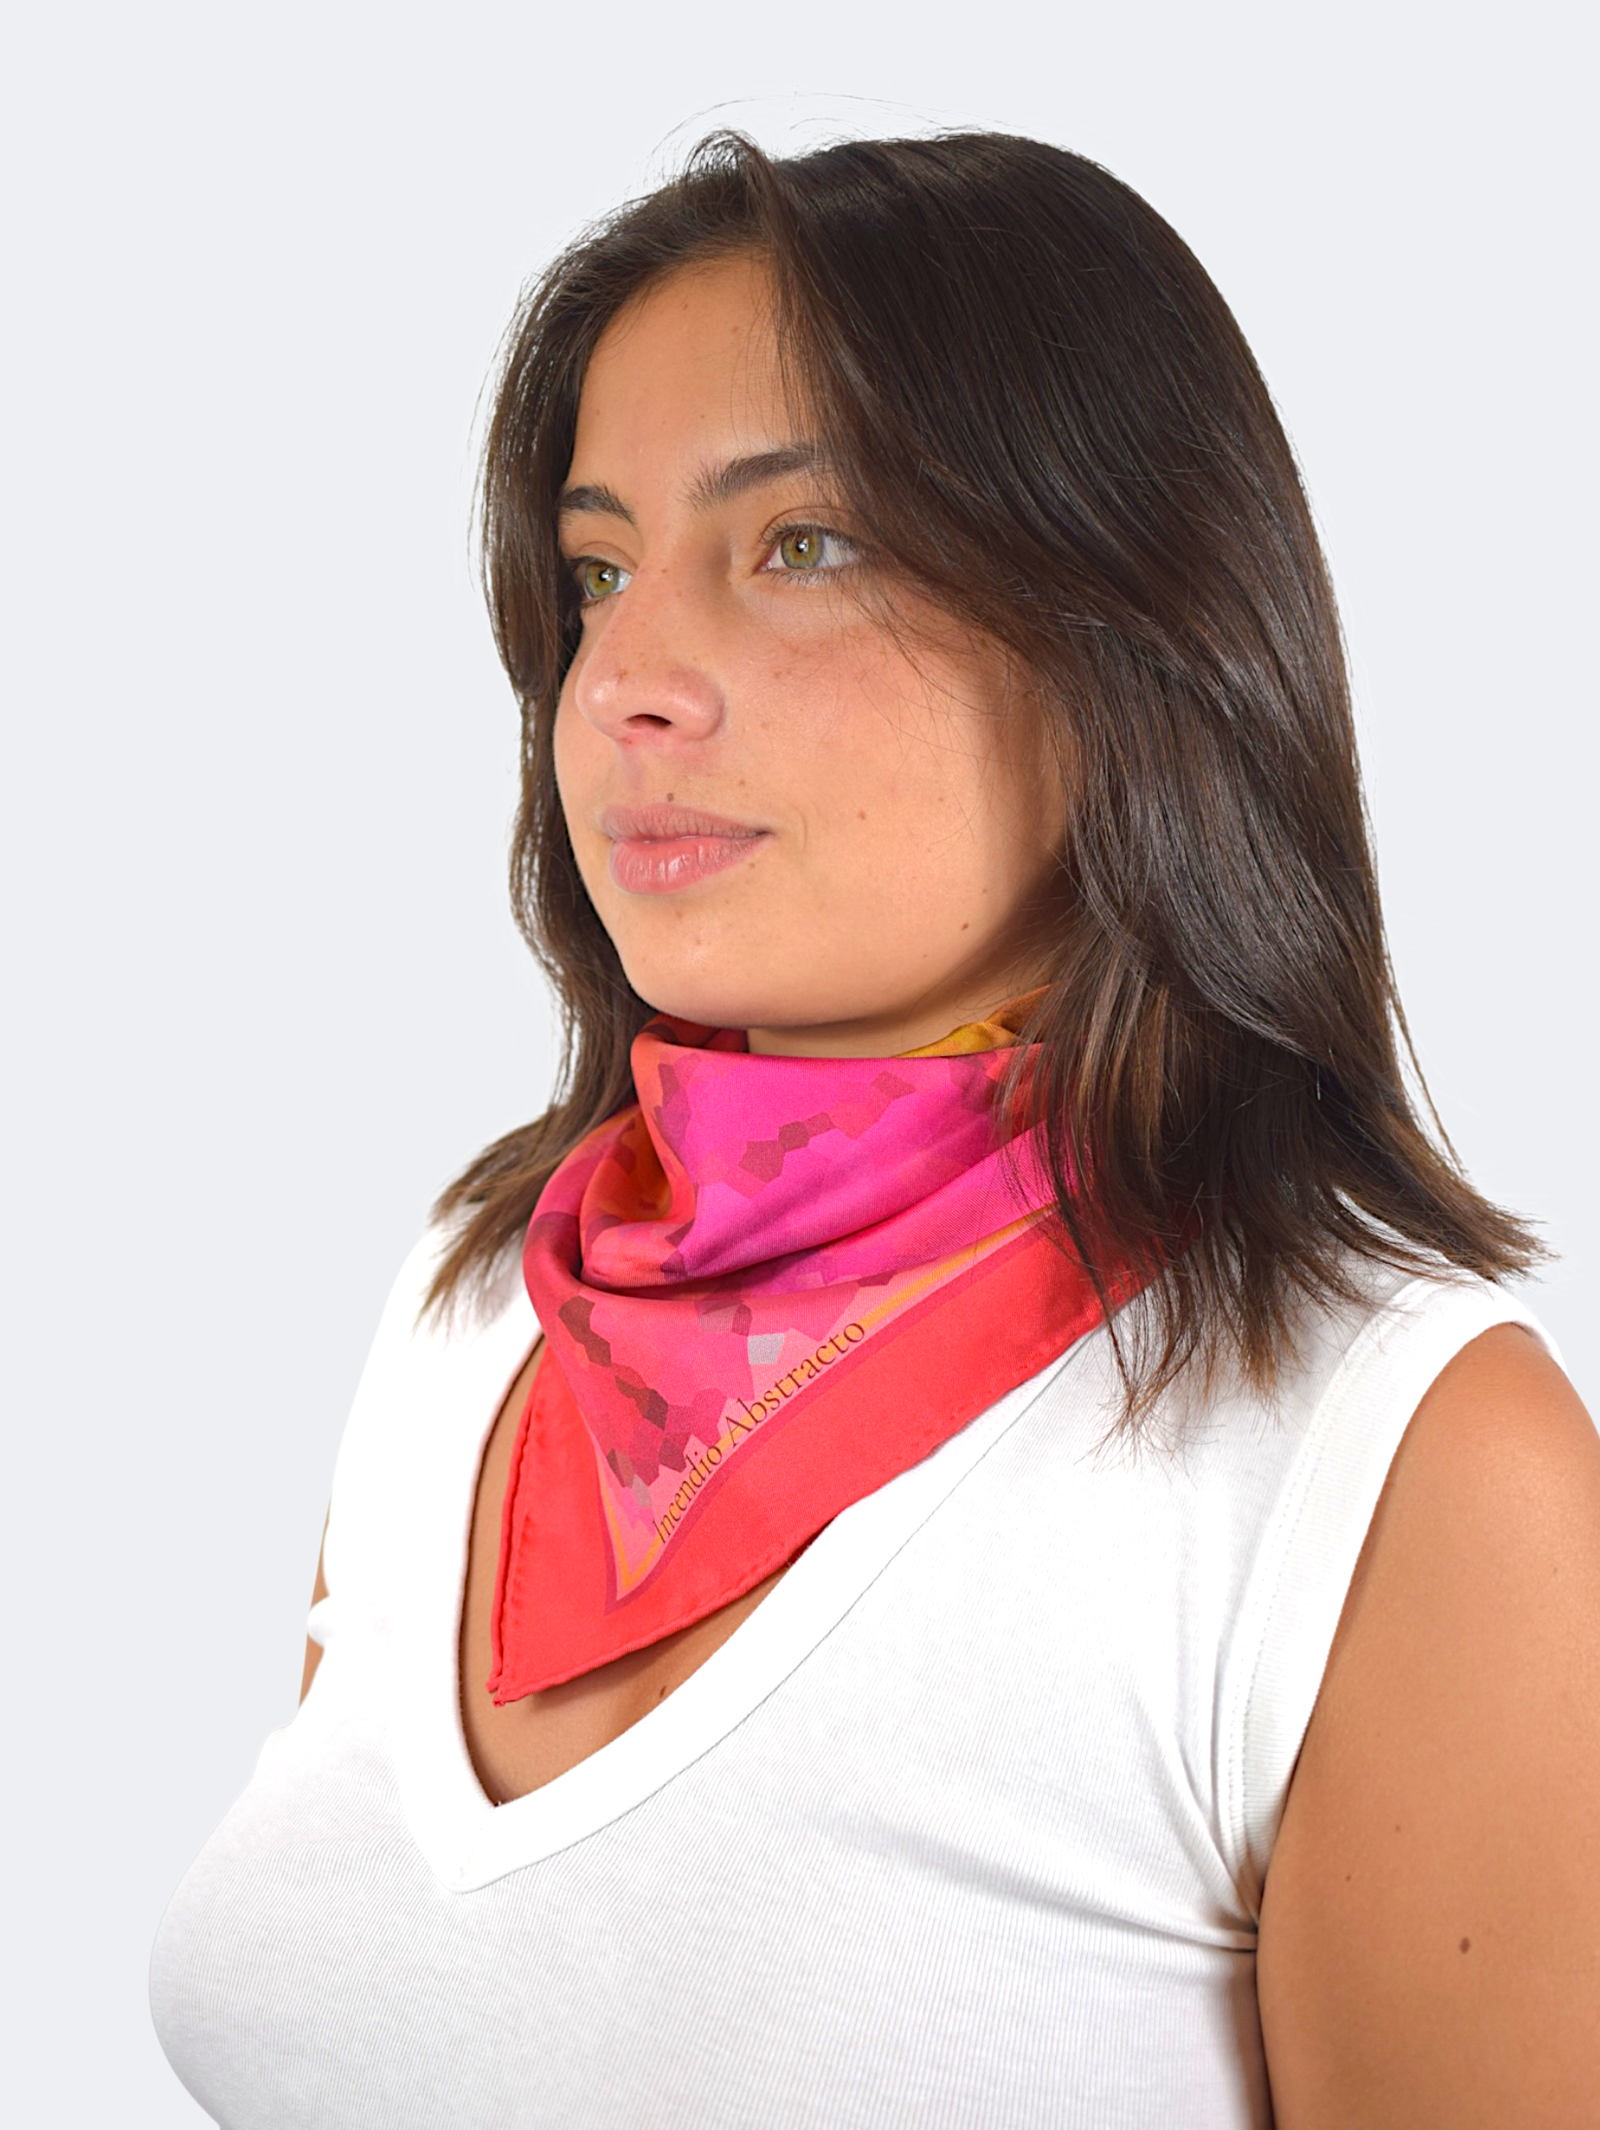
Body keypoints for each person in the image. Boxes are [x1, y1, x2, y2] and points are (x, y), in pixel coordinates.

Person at [149, 129, 1600, 2128]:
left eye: (804, 545)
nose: (625, 681)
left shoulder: (1401, 1467)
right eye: (595, 573)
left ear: (1129, 630)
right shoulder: (472, 1307)